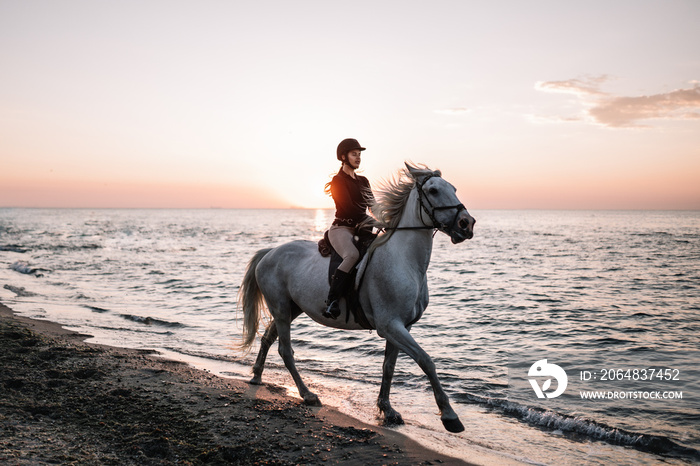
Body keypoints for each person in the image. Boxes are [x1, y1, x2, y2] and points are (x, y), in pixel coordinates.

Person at [323, 138, 374, 319]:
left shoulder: (364, 181)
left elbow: (373, 206)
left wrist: (388, 221)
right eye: (354, 154)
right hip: (342, 228)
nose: (358, 158)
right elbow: (350, 208)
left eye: (359, 155)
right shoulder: (338, 181)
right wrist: (371, 221)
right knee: (352, 255)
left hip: (363, 227)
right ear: (343, 157)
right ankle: (332, 301)